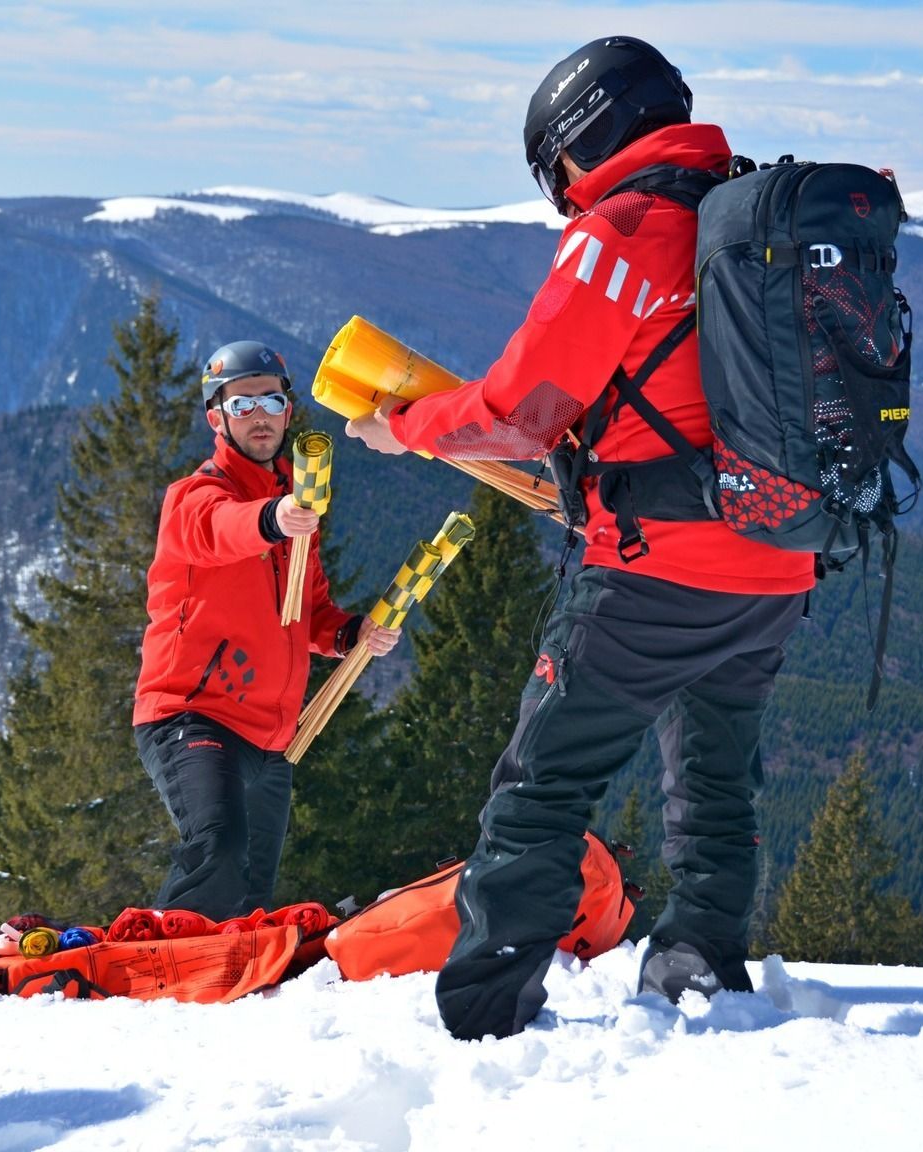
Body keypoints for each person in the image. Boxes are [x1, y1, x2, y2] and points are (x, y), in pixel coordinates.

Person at [343, 36, 815, 1040]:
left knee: (542, 781)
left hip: (655, 564)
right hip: (779, 556)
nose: (557, 191)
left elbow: (520, 409)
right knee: (716, 773)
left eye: (553, 166)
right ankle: (699, 956)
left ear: (585, 135)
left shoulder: (625, 227)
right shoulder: (757, 212)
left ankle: (484, 1014)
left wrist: (407, 429)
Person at [135, 339, 401, 921]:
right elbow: (218, 528)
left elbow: (308, 613)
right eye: (242, 406)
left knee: (247, 897)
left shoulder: (297, 513)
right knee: (218, 853)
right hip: (191, 715)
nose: (260, 416)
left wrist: (351, 634)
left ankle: (222, 989)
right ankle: (153, 969)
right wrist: (271, 519)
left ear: (288, 410)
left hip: (272, 741)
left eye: (272, 402)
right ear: (217, 419)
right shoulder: (194, 498)